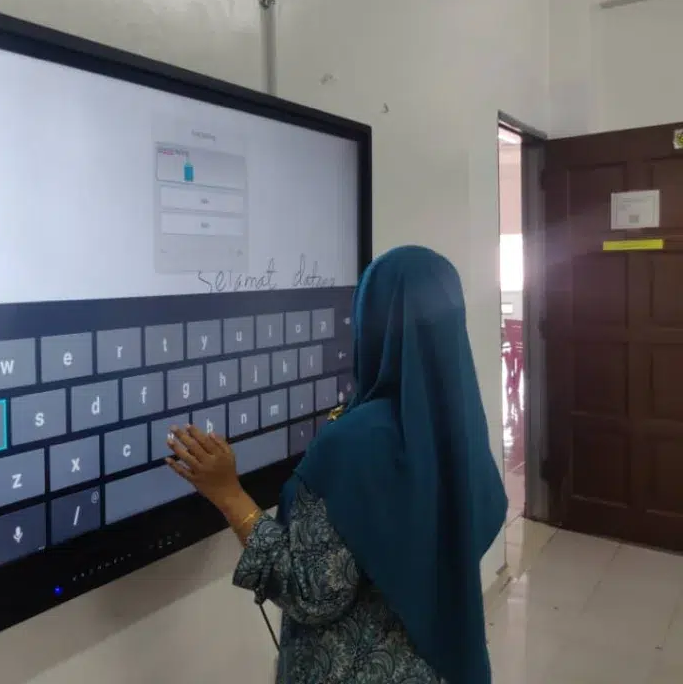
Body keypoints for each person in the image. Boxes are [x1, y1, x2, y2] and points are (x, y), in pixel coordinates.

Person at [167, 245, 507, 684]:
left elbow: (313, 592)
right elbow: (482, 514)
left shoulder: (355, 441)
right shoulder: (458, 421)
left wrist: (230, 494)